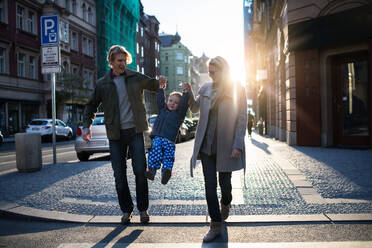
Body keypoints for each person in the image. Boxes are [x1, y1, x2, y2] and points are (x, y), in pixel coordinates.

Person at [82, 45, 167, 224]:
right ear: (111, 62)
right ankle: (127, 210)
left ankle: (143, 210)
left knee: (140, 171)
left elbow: (153, 84)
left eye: (124, 60)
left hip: (135, 131)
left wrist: (161, 82)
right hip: (115, 134)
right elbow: (91, 105)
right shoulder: (102, 83)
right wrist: (86, 127)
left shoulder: (134, 77)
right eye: (119, 61)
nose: (122, 63)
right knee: (119, 175)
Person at [184, 56, 247, 242]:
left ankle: (226, 202)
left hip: (226, 145)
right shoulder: (205, 88)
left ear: (224, 71)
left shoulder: (237, 89)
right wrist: (188, 92)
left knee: (225, 186)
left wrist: (237, 145)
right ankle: (215, 224)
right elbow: (195, 108)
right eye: (209, 72)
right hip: (206, 145)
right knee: (210, 187)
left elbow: (242, 119)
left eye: (213, 72)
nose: (210, 75)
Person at [144, 81, 189, 184]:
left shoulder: (179, 114)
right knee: (155, 152)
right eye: (170, 100)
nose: (172, 103)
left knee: (168, 156)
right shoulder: (163, 110)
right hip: (158, 138)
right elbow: (160, 100)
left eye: (176, 102)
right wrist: (161, 88)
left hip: (169, 140)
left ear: (179, 105)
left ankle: (166, 172)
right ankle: (152, 171)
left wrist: (185, 92)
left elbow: (184, 105)